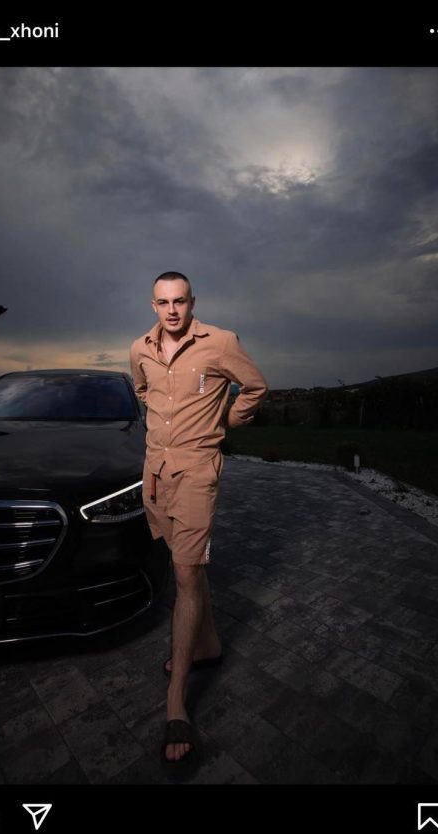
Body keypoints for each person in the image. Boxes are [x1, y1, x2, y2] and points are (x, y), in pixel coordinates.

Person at [130, 272, 268, 765]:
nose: (172, 310)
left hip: (196, 472)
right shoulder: (139, 349)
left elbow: (255, 386)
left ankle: (176, 703)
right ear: (153, 305)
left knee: (185, 574)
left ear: (192, 303)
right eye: (163, 302)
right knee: (185, 563)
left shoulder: (222, 342)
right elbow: (143, 391)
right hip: (154, 473)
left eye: (180, 301)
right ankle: (207, 644)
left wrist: (228, 418)